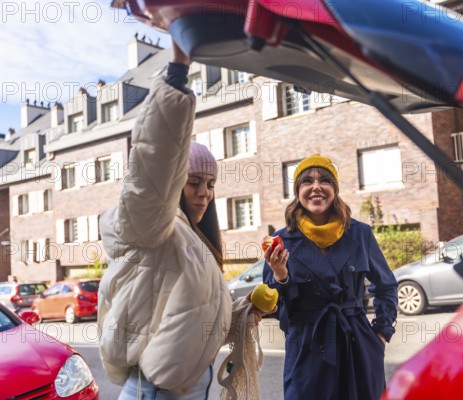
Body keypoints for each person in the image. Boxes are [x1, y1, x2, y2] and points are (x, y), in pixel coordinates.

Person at [97, 42, 234, 399]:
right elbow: (154, 163)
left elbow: (195, 310)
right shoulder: (152, 225)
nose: (205, 193)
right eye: (193, 182)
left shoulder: (191, 239)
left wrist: (253, 303)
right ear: (174, 181)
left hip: (188, 386)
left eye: (210, 184)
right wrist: (176, 72)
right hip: (155, 391)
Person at [263, 153, 399, 400]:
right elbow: (269, 305)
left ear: (334, 189)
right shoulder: (282, 241)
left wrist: (380, 334)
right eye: (307, 181)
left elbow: (386, 286)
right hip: (307, 346)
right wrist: (280, 276)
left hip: (357, 343)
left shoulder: (360, 234)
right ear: (298, 191)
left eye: (324, 180)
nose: (316, 186)